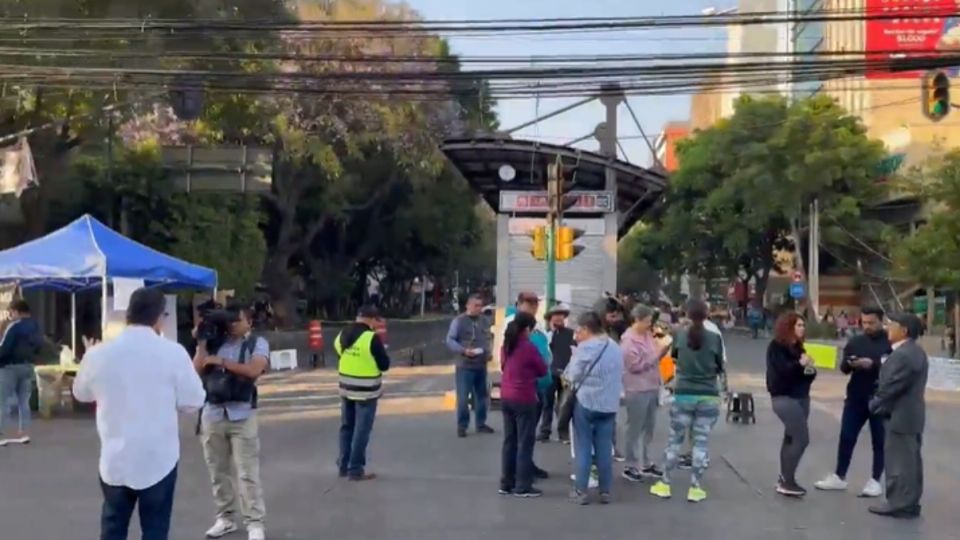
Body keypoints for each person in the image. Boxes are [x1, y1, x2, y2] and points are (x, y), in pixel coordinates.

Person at [73, 288, 206, 540]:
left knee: (113, 527)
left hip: (115, 458)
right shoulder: (173, 353)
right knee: (155, 529)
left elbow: (81, 394)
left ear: (128, 315)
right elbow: (194, 401)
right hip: (158, 457)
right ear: (160, 317)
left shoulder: (98, 353)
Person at [194, 304, 270, 540]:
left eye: (237, 321)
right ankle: (225, 518)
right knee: (218, 471)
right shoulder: (216, 341)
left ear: (249, 322)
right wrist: (202, 343)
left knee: (247, 472)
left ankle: (255, 523)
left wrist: (222, 362)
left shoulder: (256, 343)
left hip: (242, 414)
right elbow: (195, 370)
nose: (232, 325)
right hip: (213, 413)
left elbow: (254, 370)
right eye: (229, 321)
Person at [649, 300, 724, 503]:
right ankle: (695, 487)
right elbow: (720, 366)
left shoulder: (680, 335)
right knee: (701, 443)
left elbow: (674, 359)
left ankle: (665, 483)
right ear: (707, 314)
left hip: (684, 393)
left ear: (687, 314)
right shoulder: (715, 338)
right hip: (708, 394)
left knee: (675, 440)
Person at [815, 306, 890, 497]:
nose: (867, 326)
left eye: (871, 323)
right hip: (856, 396)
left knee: (879, 440)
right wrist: (850, 363)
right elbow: (843, 368)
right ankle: (839, 476)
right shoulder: (856, 341)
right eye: (864, 322)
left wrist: (872, 364)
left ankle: (875, 480)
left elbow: (894, 368)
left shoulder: (889, 342)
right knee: (847, 436)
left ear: (881, 321)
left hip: (880, 397)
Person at [868, 312, 928, 519]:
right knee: (910, 461)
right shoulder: (915, 352)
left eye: (890, 325)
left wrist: (875, 402)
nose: (886, 328)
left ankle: (899, 503)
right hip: (911, 415)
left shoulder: (903, 354)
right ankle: (909, 502)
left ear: (904, 330)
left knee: (899, 461)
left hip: (900, 415)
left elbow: (892, 385)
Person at [564, 311, 623, 505]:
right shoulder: (615, 347)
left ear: (587, 329)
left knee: (583, 448)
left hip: (586, 403)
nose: (577, 335)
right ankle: (605, 491)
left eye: (579, 330)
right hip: (609, 405)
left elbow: (572, 376)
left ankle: (581, 491)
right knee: (605, 448)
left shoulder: (584, 349)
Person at [334, 305, 391, 482]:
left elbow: (339, 353)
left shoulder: (342, 333)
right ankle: (356, 469)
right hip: (366, 392)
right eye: (376, 320)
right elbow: (384, 365)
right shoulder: (371, 338)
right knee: (361, 430)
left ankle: (343, 466)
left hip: (346, 387)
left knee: (346, 427)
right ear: (371, 319)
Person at [767, 312, 817, 497]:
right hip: (784, 397)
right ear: (788, 327)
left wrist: (809, 367)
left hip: (802, 396)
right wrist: (799, 364)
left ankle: (785, 478)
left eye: (803, 325)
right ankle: (788, 480)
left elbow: (807, 376)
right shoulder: (777, 347)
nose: (802, 328)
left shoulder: (800, 348)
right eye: (798, 325)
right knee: (801, 438)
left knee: (790, 438)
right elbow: (781, 371)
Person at [498, 312, 548, 498]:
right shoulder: (528, 347)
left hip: (506, 396)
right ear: (527, 329)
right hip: (524, 397)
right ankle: (522, 485)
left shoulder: (506, 346)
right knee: (524, 443)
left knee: (509, 441)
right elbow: (542, 370)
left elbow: (503, 366)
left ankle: (506, 482)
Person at [621, 304, 668, 482]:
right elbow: (634, 366)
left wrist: (660, 352)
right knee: (634, 427)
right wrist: (657, 354)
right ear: (636, 320)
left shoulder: (648, 335)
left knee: (649, 426)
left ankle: (646, 461)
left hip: (652, 385)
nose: (649, 325)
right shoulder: (628, 341)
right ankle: (630, 464)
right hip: (636, 388)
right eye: (646, 321)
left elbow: (653, 355)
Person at [445, 293, 494, 438]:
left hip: (481, 364)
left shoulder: (484, 321)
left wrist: (488, 351)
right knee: (463, 397)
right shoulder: (459, 321)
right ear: (468, 306)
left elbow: (488, 337)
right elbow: (450, 340)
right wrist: (463, 350)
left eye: (480, 306)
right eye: (475, 305)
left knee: (481, 396)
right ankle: (462, 425)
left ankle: (481, 423)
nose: (478, 308)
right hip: (465, 365)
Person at [0, 299, 43, 446]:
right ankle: (24, 433)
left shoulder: (14, 327)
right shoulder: (35, 326)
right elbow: (39, 346)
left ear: (17, 311)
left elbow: (4, 348)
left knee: (2, 401)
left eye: (11, 312)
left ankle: (1, 435)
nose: (10, 315)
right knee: (23, 401)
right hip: (27, 366)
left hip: (9, 366)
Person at [539, 303, 574, 443]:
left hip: (566, 372)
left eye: (562, 315)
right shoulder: (546, 334)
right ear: (550, 318)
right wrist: (552, 333)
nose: (559, 318)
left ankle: (563, 432)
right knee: (547, 403)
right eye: (556, 315)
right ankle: (544, 431)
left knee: (564, 404)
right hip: (550, 372)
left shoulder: (571, 334)